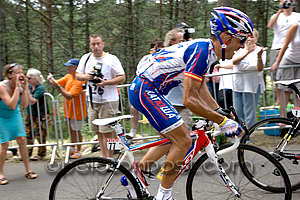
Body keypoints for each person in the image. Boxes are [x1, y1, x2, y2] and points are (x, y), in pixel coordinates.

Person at [128, 7, 251, 200]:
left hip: (149, 90)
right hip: (146, 90)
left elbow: (200, 86)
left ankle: (135, 176)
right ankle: (164, 195)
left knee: (171, 139)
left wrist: (219, 111)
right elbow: (189, 99)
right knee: (184, 140)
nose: (243, 46)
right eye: (241, 39)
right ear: (226, 37)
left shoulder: (208, 51)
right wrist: (222, 121)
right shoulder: (202, 51)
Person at [75, 34, 126, 168]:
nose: (96, 47)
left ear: (103, 44)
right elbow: (77, 75)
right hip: (92, 99)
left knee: (108, 131)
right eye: (93, 44)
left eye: (98, 43)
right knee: (98, 131)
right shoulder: (86, 58)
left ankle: (110, 158)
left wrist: (106, 83)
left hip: (108, 100)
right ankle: (104, 158)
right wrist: (87, 76)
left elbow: (122, 77)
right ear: (90, 45)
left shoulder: (111, 59)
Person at [217, 29, 267, 127]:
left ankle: (247, 136)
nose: (249, 39)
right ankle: (239, 134)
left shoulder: (260, 51)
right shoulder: (239, 49)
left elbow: (259, 68)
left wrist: (259, 56)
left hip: (252, 86)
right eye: (247, 37)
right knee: (237, 112)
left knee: (249, 113)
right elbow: (234, 62)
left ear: (256, 39)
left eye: (252, 37)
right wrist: (247, 51)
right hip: (237, 84)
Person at [0, 63, 38, 185]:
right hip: (1, 116)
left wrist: (25, 89)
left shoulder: (22, 86)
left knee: (22, 140)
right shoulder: (2, 86)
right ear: (9, 75)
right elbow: (11, 105)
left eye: (22, 72)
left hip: (14, 115)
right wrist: (17, 88)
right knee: (4, 144)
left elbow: (25, 105)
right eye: (17, 72)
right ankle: (0, 173)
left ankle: (28, 170)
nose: (21, 74)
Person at [48, 58, 87, 159]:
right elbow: (57, 82)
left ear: (76, 68)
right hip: (68, 110)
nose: (68, 69)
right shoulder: (68, 76)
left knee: (76, 130)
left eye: (70, 67)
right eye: (67, 67)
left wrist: (58, 87)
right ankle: (72, 149)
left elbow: (69, 95)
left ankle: (78, 150)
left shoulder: (80, 80)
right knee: (71, 130)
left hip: (77, 111)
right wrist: (50, 79)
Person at [126, 38, 164, 139]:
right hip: (144, 86)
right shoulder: (146, 58)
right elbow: (140, 70)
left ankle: (161, 131)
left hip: (158, 89)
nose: (155, 50)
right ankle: (133, 131)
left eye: (157, 48)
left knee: (157, 111)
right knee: (134, 108)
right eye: (153, 47)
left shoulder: (165, 57)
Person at [268, 0, 300, 104]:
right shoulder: (277, 15)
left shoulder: (297, 16)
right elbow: (270, 25)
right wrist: (280, 10)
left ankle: (294, 105)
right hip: (277, 47)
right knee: (277, 76)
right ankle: (279, 100)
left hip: (293, 48)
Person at [164, 28, 193, 131]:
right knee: (170, 135)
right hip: (167, 102)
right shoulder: (165, 55)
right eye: (181, 41)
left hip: (184, 102)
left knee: (187, 132)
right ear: (173, 42)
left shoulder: (188, 54)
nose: (184, 43)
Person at [270, 22, 300, 119]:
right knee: (285, 90)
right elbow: (285, 44)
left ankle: (297, 118)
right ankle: (282, 118)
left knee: (298, 92)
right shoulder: (296, 26)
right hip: (289, 60)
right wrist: (277, 62)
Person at [26, 68, 48, 161]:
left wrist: (26, 92)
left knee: (40, 134)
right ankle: (27, 153)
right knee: (28, 133)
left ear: (35, 78)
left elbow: (33, 101)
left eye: (29, 78)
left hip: (40, 114)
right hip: (30, 114)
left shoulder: (40, 88)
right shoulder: (30, 86)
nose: (27, 80)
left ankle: (41, 153)